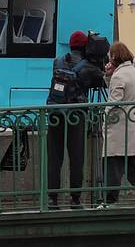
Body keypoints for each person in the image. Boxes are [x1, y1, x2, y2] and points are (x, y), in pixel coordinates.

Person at [44, 30, 106, 209]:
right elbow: (101, 83)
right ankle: (75, 199)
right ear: (85, 46)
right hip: (76, 116)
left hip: (55, 113)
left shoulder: (58, 61)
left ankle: (52, 199)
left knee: (55, 158)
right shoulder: (89, 67)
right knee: (76, 158)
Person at [99, 42, 135, 207]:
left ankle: (110, 201)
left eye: (110, 56)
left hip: (117, 128)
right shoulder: (134, 71)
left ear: (115, 56)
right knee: (132, 166)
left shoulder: (119, 76)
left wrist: (105, 118)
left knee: (111, 165)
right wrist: (108, 75)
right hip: (130, 125)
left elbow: (114, 101)